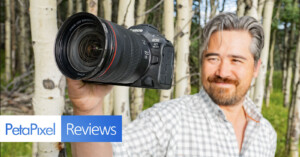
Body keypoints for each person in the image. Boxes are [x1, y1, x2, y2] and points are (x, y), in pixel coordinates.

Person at [68, 12, 277, 157]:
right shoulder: (168, 119)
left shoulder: (266, 133)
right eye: (213, 58)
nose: (222, 72)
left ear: (257, 67)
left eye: (236, 60)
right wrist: (88, 110)